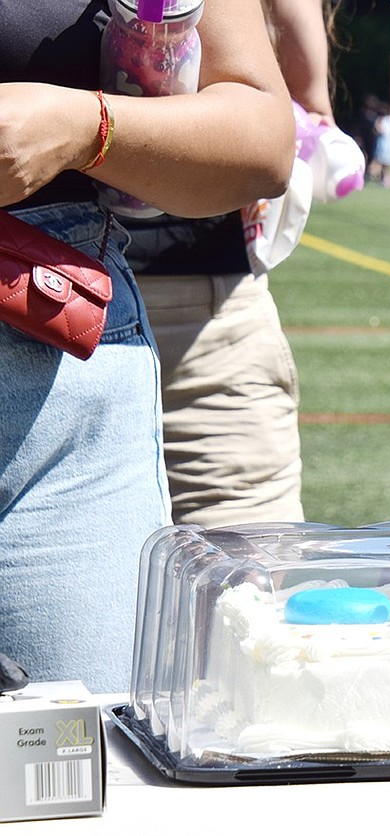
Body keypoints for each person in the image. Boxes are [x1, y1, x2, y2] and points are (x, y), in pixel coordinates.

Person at [0, 0, 293, 692]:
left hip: (53, 387)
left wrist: (84, 126)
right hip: (57, 347)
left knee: (83, 764)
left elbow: (261, 139)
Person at [126, 0, 339, 529]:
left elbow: (283, 134)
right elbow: (309, 103)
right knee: (243, 590)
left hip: (198, 316)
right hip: (197, 309)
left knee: (244, 589)